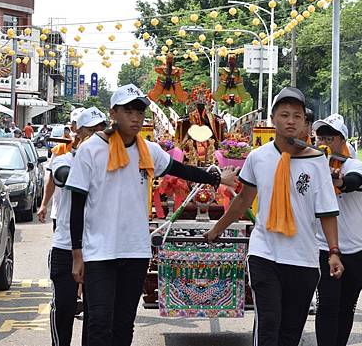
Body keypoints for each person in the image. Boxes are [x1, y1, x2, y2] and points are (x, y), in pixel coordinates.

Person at [66, 84, 238, 346]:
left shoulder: (149, 151)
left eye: (139, 111)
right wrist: (77, 254)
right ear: (113, 113)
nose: (136, 117)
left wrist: (216, 178)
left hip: (135, 251)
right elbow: (77, 205)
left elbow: (183, 170)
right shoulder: (91, 150)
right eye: (129, 110)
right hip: (99, 252)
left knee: (124, 323)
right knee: (100, 321)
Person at [205, 87, 343, 346]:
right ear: (273, 119)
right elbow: (243, 199)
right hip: (264, 254)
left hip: (303, 259)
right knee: (268, 325)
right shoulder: (258, 157)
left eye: (297, 116)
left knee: (290, 333)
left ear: (305, 122)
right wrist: (217, 229)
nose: (290, 120)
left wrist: (334, 251)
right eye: (284, 114)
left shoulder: (317, 162)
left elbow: (326, 211)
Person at [46, 107, 108, 346]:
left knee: (96, 316)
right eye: (90, 130)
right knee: (64, 308)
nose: (96, 135)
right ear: (76, 131)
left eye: (100, 129)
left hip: (98, 247)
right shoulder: (63, 160)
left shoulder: (113, 164)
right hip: (65, 247)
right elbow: (62, 176)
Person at [312, 113, 362, 346]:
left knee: (346, 306)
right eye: (319, 137)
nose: (323, 142)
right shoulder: (312, 167)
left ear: (341, 140)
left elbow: (354, 181)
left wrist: (339, 181)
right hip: (323, 247)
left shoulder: (354, 164)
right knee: (327, 305)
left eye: (329, 137)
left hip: (356, 249)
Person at [38, 107, 85, 229]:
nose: (81, 127)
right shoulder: (60, 149)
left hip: (87, 213)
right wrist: (44, 204)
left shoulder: (95, 150)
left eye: (85, 124)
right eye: (77, 123)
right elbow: (51, 179)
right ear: (72, 127)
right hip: (60, 211)